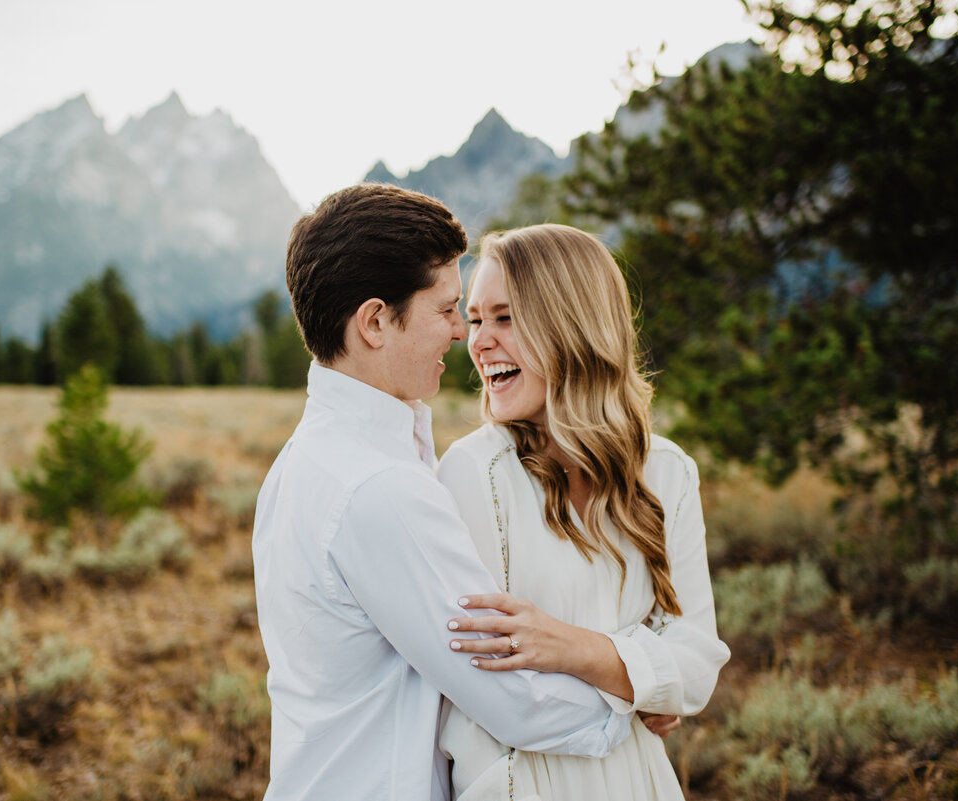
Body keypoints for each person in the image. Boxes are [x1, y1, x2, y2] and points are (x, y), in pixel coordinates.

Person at [251, 186, 638, 801]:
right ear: (375, 322)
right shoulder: (378, 487)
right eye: (447, 309)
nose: (463, 333)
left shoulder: (304, 461)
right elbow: (513, 698)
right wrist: (635, 696)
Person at [435, 224, 731, 800]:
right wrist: (639, 683)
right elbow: (490, 681)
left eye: (505, 317)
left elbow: (697, 668)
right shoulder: (475, 473)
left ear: (572, 323)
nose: (479, 341)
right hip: (519, 782)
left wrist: (574, 648)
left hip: (639, 780)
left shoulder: (667, 471)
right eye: (475, 320)